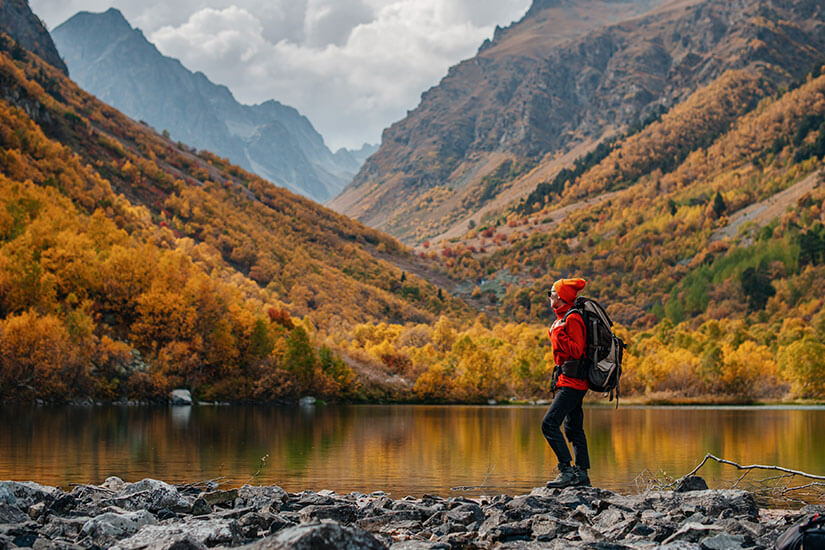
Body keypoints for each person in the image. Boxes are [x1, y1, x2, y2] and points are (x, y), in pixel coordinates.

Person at [542, 277, 591, 488]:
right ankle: (581, 475)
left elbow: (577, 351)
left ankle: (566, 470)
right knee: (573, 428)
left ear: (561, 297)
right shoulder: (562, 319)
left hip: (573, 382)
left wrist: (557, 335)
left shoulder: (572, 319)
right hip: (568, 380)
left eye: (551, 292)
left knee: (549, 424)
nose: (549, 296)